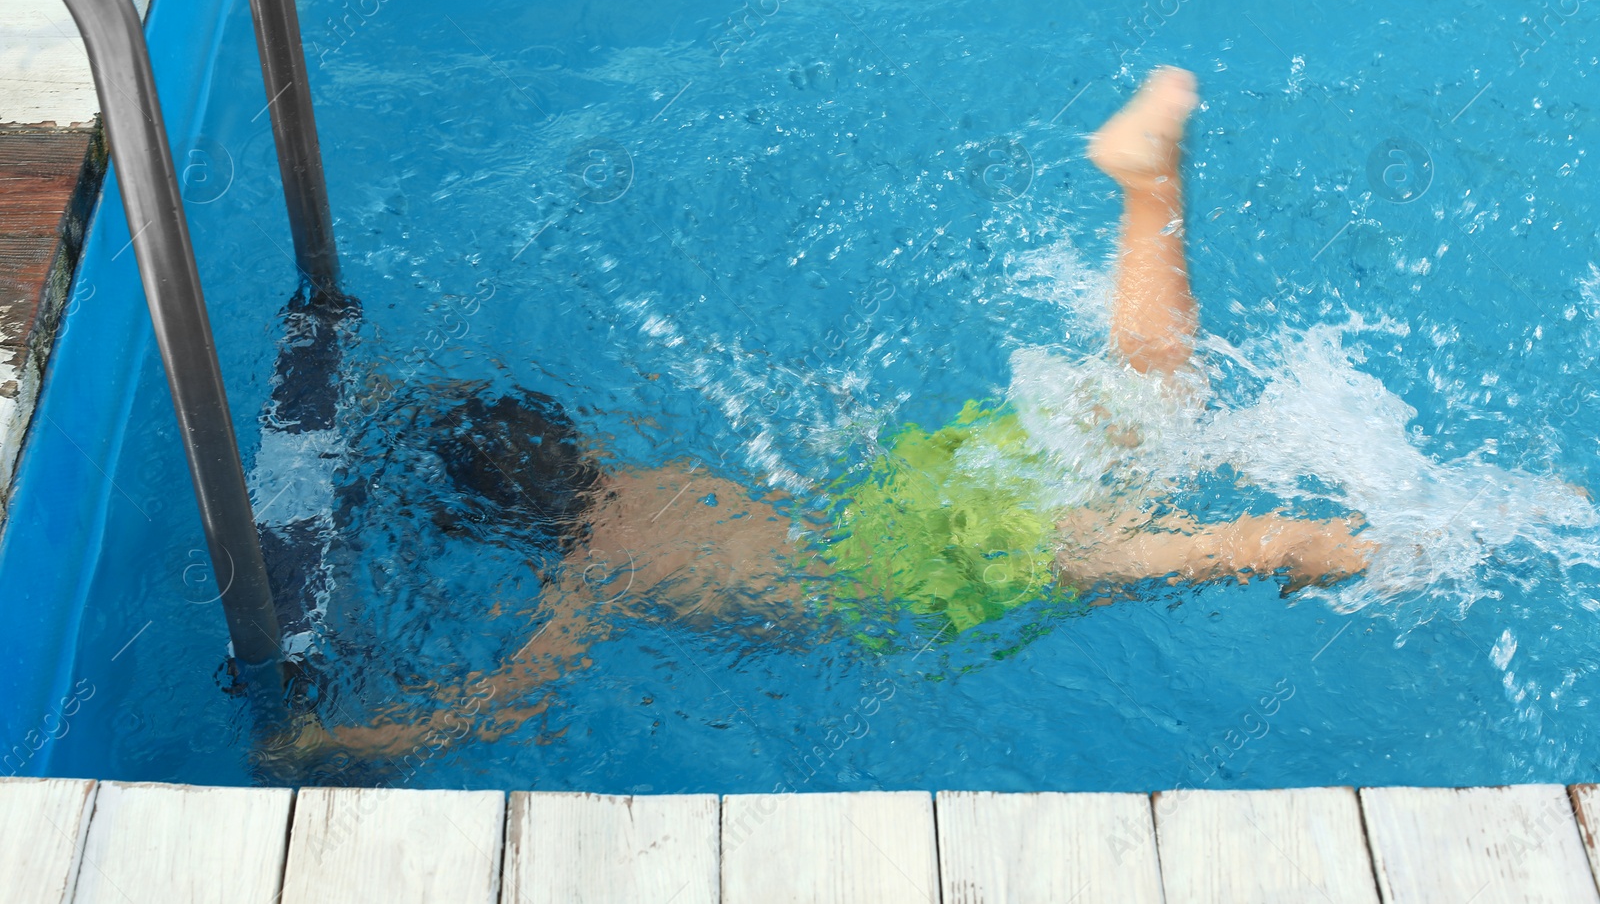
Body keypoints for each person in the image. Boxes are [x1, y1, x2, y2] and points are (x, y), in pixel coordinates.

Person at [270, 67, 1373, 763]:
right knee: (1148, 408)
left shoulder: (594, 569)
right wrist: (400, 393)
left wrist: (355, 736)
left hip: (892, 568)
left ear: (507, 525)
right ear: (566, 441)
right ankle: (1146, 193)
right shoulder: (640, 471)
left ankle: (1276, 541)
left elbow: (502, 702)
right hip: (896, 491)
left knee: (1114, 548)